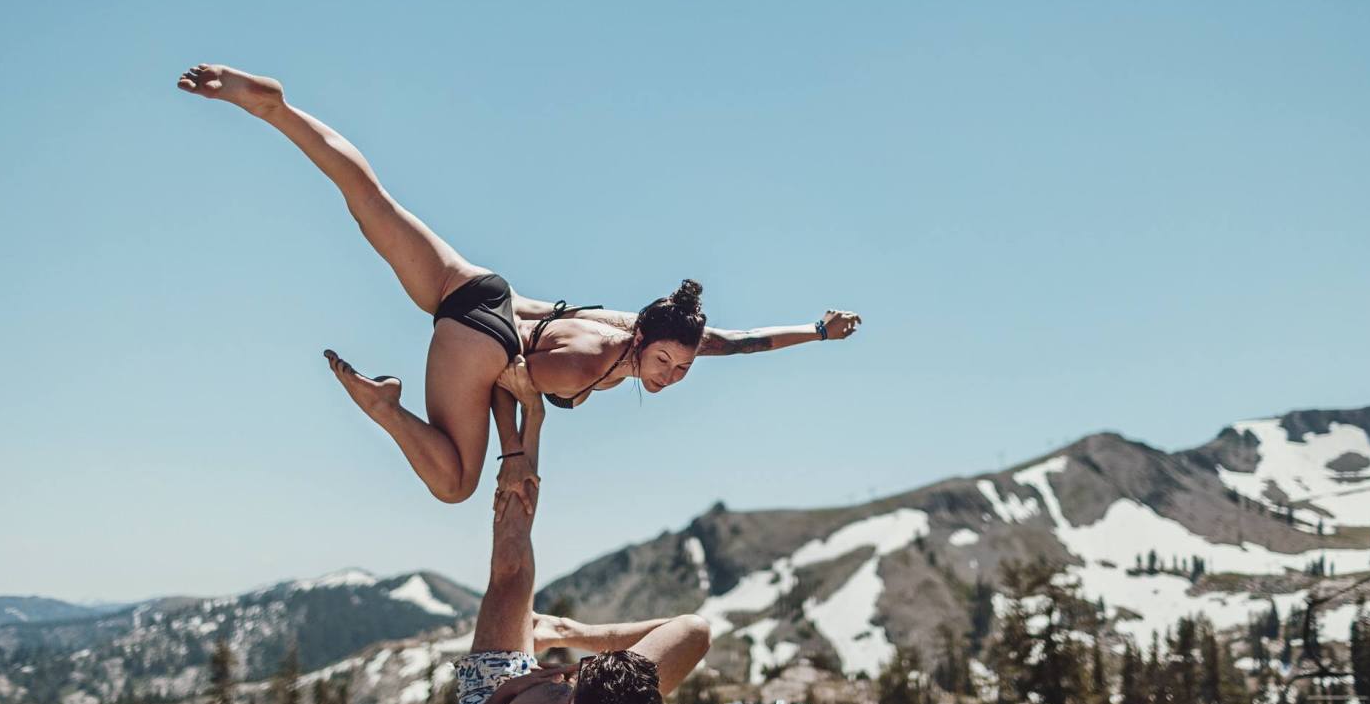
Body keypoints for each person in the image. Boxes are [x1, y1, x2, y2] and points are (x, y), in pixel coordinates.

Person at [176, 64, 861, 509]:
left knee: (372, 199)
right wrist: (519, 458)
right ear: (643, 341)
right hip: (481, 341)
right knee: (454, 483)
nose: (672, 375)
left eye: (680, 369)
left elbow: (743, 344)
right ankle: (385, 406)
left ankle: (274, 109)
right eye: (664, 363)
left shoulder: (644, 331)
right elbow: (513, 388)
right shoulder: (592, 363)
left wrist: (818, 331)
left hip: (483, 289)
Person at [423, 476, 710, 704]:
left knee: (511, 571)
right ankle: (563, 630)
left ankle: (517, 456)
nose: (571, 677)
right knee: (695, 629)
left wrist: (508, 691)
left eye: (576, 681)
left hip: (496, 690)